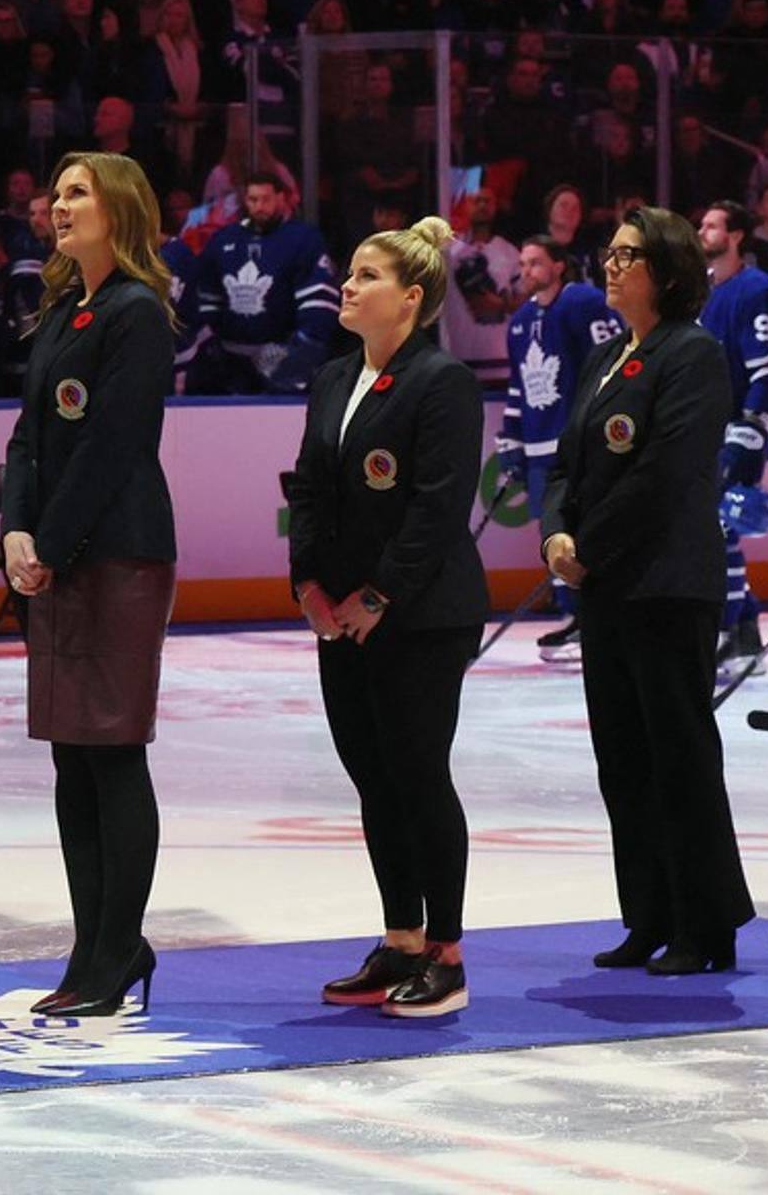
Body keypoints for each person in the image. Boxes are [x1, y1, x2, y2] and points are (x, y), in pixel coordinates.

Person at [544, 207, 754, 975]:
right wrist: (554, 532)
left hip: (665, 584)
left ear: (666, 272)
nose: (610, 264)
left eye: (628, 255)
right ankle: (648, 917)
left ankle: (706, 925)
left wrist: (587, 546)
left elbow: (664, 475)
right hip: (605, 589)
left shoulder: (692, 354)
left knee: (680, 759)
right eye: (610, 253)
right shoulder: (606, 358)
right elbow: (567, 465)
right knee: (623, 761)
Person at [288, 215, 486, 1019]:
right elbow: (307, 486)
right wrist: (308, 582)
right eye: (352, 272)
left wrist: (380, 595)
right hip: (341, 617)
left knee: (417, 773)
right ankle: (400, 937)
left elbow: (438, 508)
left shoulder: (442, 382)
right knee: (374, 777)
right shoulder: (335, 378)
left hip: (422, 616)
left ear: (410, 299)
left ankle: (446, 952)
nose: (349, 284)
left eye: (367, 276)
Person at [1, 151, 178, 1017]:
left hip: (117, 555)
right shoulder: (61, 310)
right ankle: (93, 947)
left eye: (78, 192)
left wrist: (53, 545)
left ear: (120, 210)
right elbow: (26, 438)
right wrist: (16, 529)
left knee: (112, 752)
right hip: (61, 555)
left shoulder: (138, 315)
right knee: (73, 757)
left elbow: (113, 446)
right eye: (56, 189)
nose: (59, 203)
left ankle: (116, 950)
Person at [497, 233, 622, 660]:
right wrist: (510, 439)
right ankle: (574, 619)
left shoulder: (583, 302)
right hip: (537, 448)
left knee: (587, 534)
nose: (526, 270)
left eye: (535, 262)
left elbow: (613, 363)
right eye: (523, 262)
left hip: (579, 446)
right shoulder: (518, 322)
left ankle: (597, 617)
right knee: (553, 534)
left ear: (558, 265)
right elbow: (518, 388)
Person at [699, 201, 768, 679]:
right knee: (714, 534)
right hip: (704, 433)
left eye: (711, 225)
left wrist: (752, 427)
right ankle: (745, 633)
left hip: (738, 433)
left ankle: (723, 634)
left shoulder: (756, 289)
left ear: (736, 236)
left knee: (719, 534)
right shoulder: (703, 291)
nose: (702, 231)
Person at [193, 171, 336, 393]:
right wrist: (212, 346)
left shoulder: (303, 240)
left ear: (281, 198)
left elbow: (319, 306)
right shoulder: (223, 240)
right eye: (253, 199)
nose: (259, 206)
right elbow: (206, 299)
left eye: (266, 199)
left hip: (285, 361)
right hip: (231, 367)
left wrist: (299, 350)